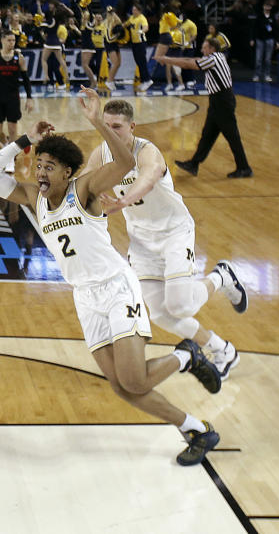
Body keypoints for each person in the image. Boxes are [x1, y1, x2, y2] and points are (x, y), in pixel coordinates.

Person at [0, 87, 224, 466]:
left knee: (136, 380)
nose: (40, 172)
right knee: (122, 388)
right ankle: (197, 428)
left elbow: (125, 163)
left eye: (49, 167)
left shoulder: (84, 189)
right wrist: (26, 141)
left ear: (68, 172)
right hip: (85, 297)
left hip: (117, 288)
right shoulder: (32, 198)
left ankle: (185, 356)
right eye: (38, 165)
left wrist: (95, 123)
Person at [83, 99, 247, 380]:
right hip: (142, 242)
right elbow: (83, 183)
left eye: (117, 127)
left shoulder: (148, 152)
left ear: (131, 127)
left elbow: (146, 180)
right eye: (106, 126)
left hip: (174, 233)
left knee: (181, 305)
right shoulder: (102, 153)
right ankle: (222, 350)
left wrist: (123, 202)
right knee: (160, 314)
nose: (111, 132)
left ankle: (222, 276)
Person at [155, 37, 253, 178]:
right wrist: (167, 58)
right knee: (207, 135)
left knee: (233, 137)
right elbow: (192, 60)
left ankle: (244, 168)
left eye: (204, 47)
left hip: (223, 101)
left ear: (212, 49)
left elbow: (190, 65)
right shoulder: (217, 56)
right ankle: (194, 164)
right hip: (217, 101)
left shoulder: (214, 59)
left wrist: (166, 59)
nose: (202, 50)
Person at [0, 31, 34, 145]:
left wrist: (29, 98)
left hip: (13, 96)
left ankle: (11, 158)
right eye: (9, 40)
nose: (12, 43)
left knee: (12, 129)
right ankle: (6, 145)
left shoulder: (19, 57)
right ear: (2, 40)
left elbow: (26, 80)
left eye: (13, 40)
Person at [125, 3, 153, 93]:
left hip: (141, 43)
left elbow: (146, 27)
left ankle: (148, 80)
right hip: (134, 43)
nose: (133, 11)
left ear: (139, 10)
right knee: (138, 62)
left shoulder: (142, 18)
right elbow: (126, 24)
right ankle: (143, 80)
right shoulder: (132, 18)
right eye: (133, 10)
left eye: (135, 10)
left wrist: (141, 31)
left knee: (142, 62)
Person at [250, 1, 277, 82]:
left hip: (270, 39)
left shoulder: (272, 17)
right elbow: (254, 28)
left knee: (268, 59)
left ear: (271, 8)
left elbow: (275, 30)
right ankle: (257, 75)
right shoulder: (259, 16)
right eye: (266, 6)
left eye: (269, 6)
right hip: (260, 39)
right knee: (258, 59)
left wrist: (276, 41)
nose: (267, 8)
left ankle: (267, 75)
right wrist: (252, 39)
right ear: (263, 7)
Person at [76, 0, 98, 88]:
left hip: (89, 45)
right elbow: (82, 34)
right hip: (85, 45)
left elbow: (91, 24)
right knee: (85, 65)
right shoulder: (84, 24)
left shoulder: (89, 24)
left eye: (85, 15)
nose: (83, 16)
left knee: (85, 65)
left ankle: (93, 82)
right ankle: (93, 80)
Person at [103, 7, 125, 92]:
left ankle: (111, 80)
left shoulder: (114, 20)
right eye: (110, 13)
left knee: (119, 63)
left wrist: (113, 13)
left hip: (114, 42)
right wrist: (117, 36)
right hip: (109, 43)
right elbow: (108, 38)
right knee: (115, 63)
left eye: (113, 12)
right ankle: (109, 81)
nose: (112, 14)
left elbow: (119, 23)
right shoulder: (107, 23)